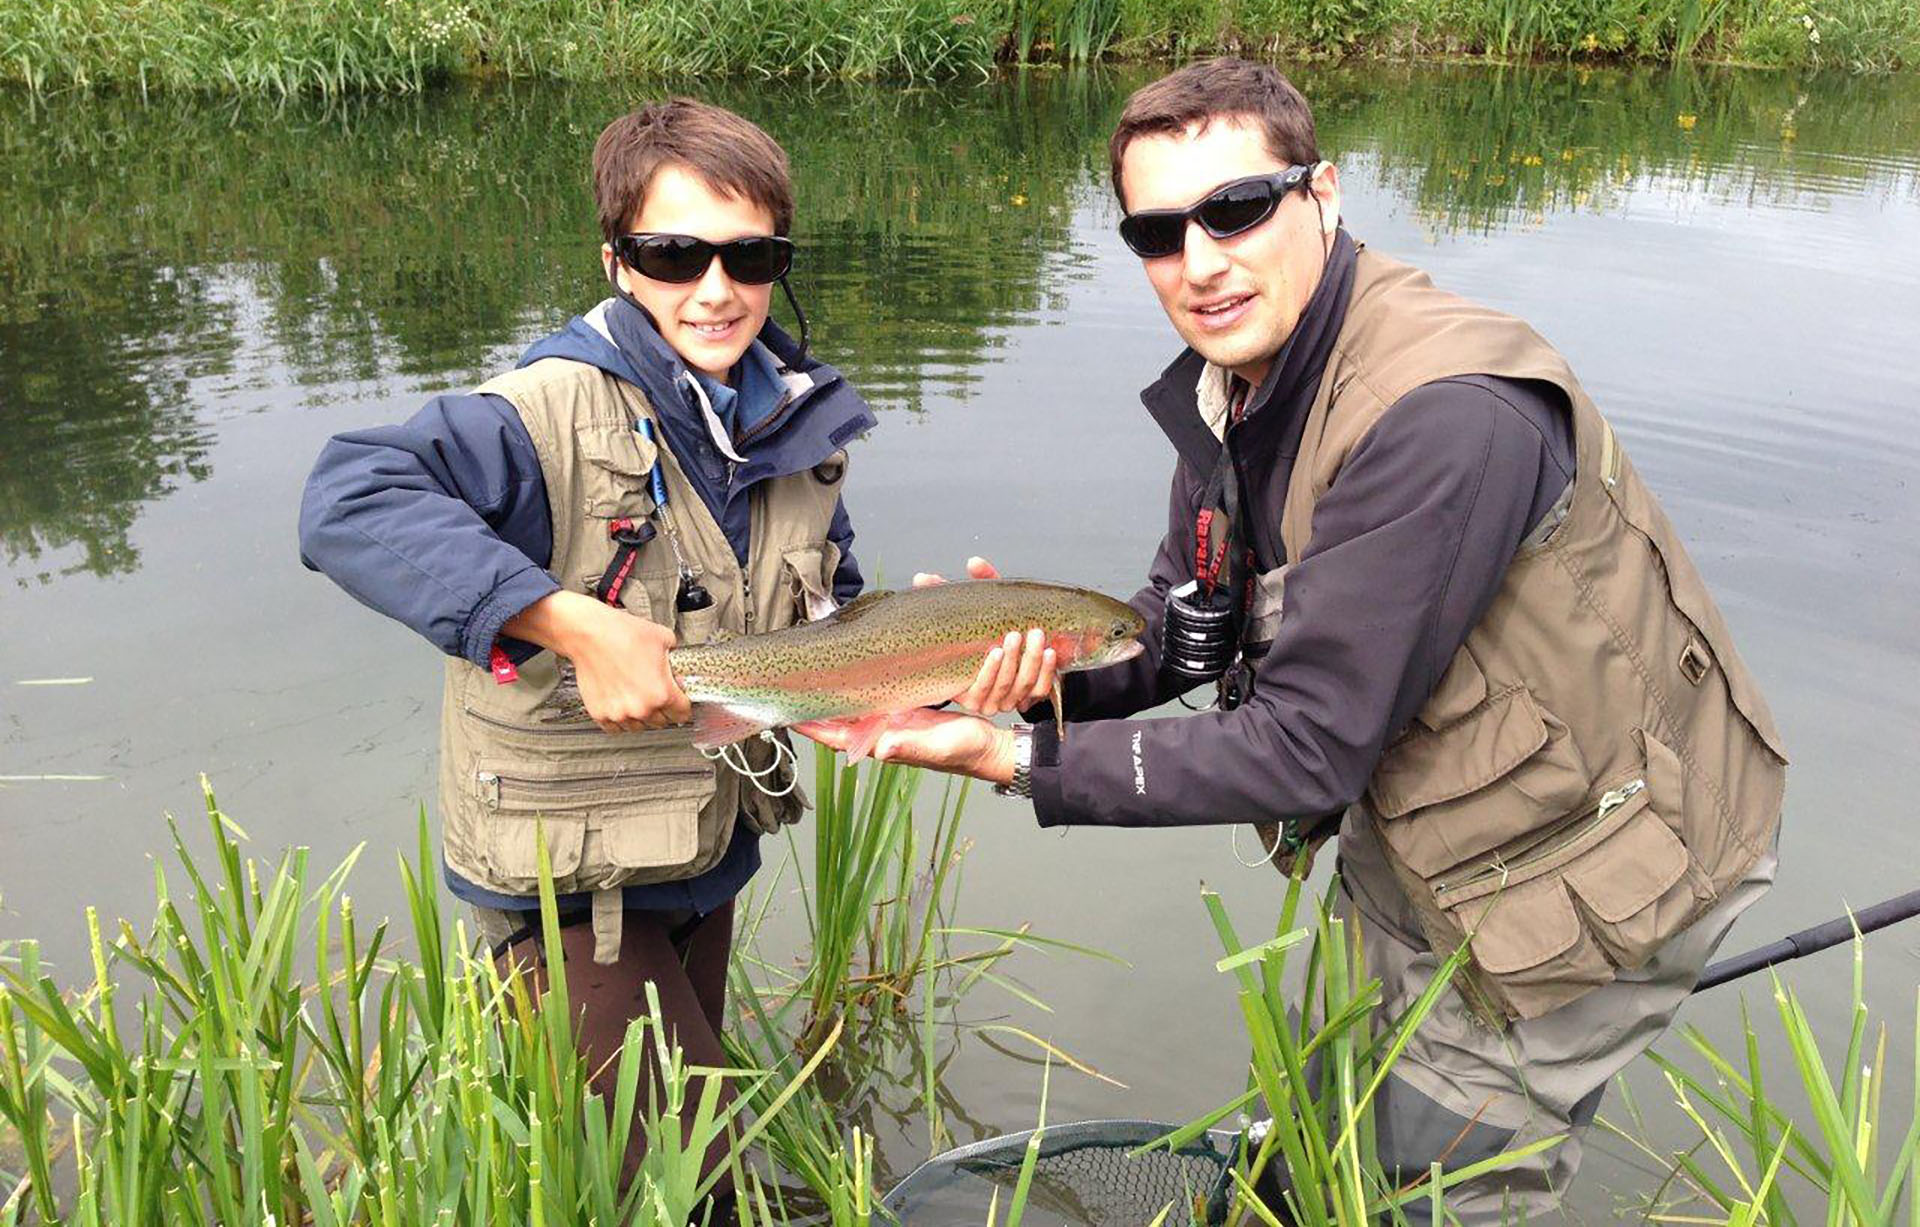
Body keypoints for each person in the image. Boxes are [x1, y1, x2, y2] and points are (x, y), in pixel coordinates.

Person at [799, 59, 1788, 1221]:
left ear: (1321, 193)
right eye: (1159, 233)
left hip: (1596, 861)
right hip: (1427, 820)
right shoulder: (1242, 380)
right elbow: (1185, 620)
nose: (1200, 262)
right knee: (1334, 1122)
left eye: (1235, 209)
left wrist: (1016, 759)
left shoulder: (1445, 417)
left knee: (1429, 1179)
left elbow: (1309, 747)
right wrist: (1034, 675)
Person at [299, 97, 1039, 1200]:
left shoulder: (798, 424)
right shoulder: (530, 416)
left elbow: (820, 594)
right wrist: (568, 619)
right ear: (618, 260)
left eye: (750, 256)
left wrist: (910, 656)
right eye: (673, 252)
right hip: (565, 886)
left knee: (671, 1150)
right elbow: (348, 500)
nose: (714, 288)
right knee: (698, 1174)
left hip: (703, 854)